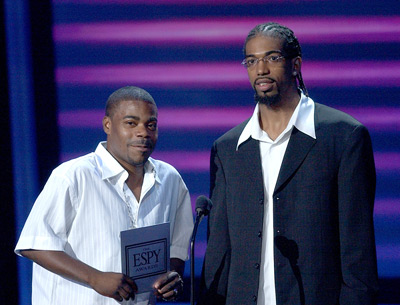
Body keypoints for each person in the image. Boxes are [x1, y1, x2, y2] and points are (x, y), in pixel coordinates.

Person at [199, 22, 378, 305]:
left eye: (272, 58)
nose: (261, 70)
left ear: (296, 64)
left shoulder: (343, 137)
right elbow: (219, 251)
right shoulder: (228, 148)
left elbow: (358, 252)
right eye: (252, 61)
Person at [15, 86, 194, 305]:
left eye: (151, 125)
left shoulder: (170, 179)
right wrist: (94, 277)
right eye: (131, 123)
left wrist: (172, 278)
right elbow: (35, 244)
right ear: (107, 125)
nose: (143, 132)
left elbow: (177, 247)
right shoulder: (73, 176)